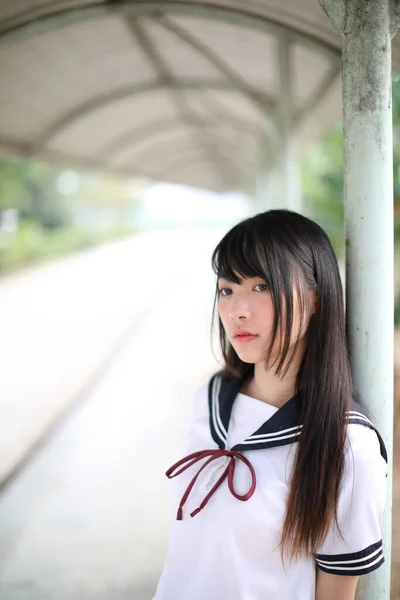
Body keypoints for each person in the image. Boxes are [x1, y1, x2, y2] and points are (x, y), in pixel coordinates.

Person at [152, 209, 388, 600]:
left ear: (315, 300)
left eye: (261, 287)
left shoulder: (346, 445)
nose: (236, 309)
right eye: (227, 289)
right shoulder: (211, 398)